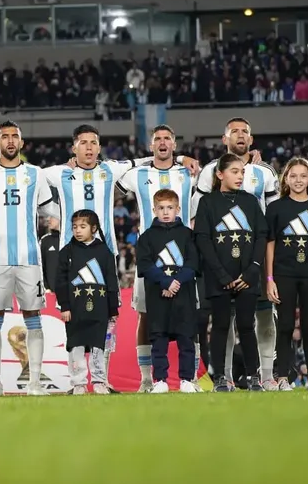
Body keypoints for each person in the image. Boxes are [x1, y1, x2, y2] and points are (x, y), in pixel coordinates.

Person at [39, 124, 198, 392]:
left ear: (99, 148)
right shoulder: (59, 173)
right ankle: (78, 382)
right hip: (71, 256)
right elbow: (29, 178)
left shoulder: (111, 169)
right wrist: (58, 210)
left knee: (108, 319)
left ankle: (103, 380)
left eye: (93, 143)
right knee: (75, 319)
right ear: (74, 147)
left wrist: (182, 158)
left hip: (105, 253)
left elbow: (144, 159)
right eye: (83, 143)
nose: (88, 147)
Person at [0, 121, 58, 396]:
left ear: (22, 143)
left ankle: (34, 383)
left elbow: (49, 210)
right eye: (4, 137)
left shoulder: (35, 174)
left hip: (29, 258)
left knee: (34, 317)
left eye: (14, 137)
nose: (10, 141)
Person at [193, 117, 279, 390]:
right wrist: (220, 273)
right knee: (219, 326)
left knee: (246, 325)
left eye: (242, 172)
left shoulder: (251, 202)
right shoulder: (207, 202)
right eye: (234, 172)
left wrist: (253, 268)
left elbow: (260, 235)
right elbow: (202, 238)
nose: (240, 176)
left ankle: (255, 377)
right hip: (219, 276)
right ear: (219, 174)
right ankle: (220, 377)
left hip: (247, 275)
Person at [117, 125, 200, 392]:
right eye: (157, 140)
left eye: (167, 139)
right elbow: (110, 176)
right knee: (145, 316)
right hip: (150, 256)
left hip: (182, 253)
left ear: (174, 144)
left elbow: (221, 169)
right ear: (151, 145)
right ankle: (147, 379)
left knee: (189, 321)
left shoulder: (189, 172)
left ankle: (191, 378)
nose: (163, 143)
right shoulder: (138, 174)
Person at [265, 157, 308, 391]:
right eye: (293, 175)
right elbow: (270, 245)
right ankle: (283, 378)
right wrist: (269, 278)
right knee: (284, 326)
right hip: (283, 275)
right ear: (285, 178)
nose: (298, 180)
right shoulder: (275, 208)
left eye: (303, 176)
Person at [135, 189, 200, 394]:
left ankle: (187, 380)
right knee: (158, 339)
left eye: (170, 208)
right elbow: (144, 265)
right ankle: (160, 380)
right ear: (154, 209)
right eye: (161, 208)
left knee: (186, 338)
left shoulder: (188, 234)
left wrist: (175, 282)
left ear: (178, 209)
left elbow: (194, 264)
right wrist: (165, 282)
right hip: (158, 297)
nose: (165, 212)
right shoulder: (146, 237)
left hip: (184, 296)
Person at [54, 210, 119, 395]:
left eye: (83, 227)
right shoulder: (67, 252)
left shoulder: (104, 251)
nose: (78, 231)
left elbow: (111, 279)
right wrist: (65, 305)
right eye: (75, 227)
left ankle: (99, 381)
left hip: (100, 309)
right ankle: (78, 383)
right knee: (76, 345)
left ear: (94, 228)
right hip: (75, 309)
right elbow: (60, 281)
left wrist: (112, 308)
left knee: (99, 345)